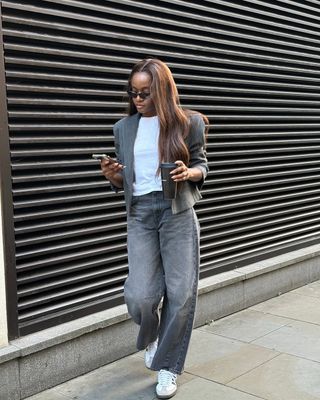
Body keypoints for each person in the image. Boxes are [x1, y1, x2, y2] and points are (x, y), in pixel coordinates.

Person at [100, 58, 208, 399]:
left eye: (146, 92)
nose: (138, 98)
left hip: (176, 211)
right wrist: (114, 177)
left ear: (162, 90)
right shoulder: (124, 127)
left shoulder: (188, 123)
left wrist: (187, 172)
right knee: (139, 296)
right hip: (141, 214)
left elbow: (202, 164)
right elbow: (126, 179)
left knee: (181, 293)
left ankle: (168, 366)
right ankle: (153, 336)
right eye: (133, 92)